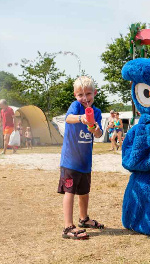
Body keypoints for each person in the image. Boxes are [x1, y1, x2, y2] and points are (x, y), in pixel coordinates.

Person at [58, 76, 104, 240]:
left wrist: (95, 128)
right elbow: (68, 118)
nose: (85, 98)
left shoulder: (97, 112)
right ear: (75, 96)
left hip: (85, 161)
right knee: (69, 191)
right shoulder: (76, 107)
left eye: (88, 94)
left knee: (84, 191)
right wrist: (81, 118)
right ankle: (68, 226)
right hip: (70, 160)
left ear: (95, 93)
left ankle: (83, 219)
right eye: (80, 95)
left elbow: (99, 134)